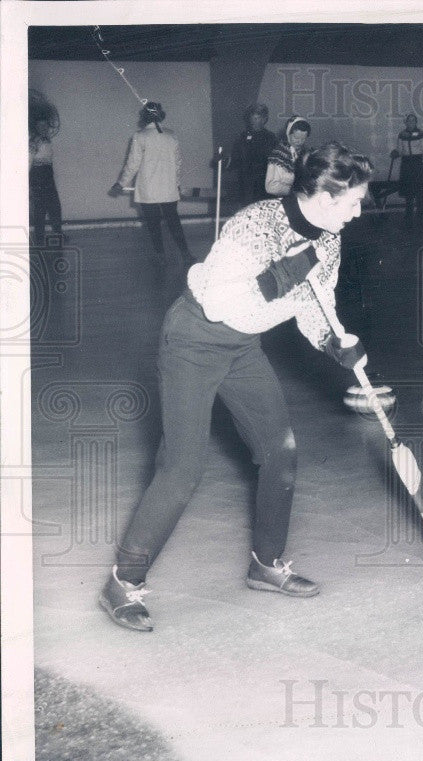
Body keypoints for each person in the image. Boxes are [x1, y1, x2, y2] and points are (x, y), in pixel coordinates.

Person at [99, 142, 374, 631]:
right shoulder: (255, 225)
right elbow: (226, 304)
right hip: (195, 338)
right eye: (353, 201)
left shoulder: (328, 240)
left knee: (280, 449)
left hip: (244, 348)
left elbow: (316, 305)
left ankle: (266, 563)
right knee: (182, 467)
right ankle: (123, 581)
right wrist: (286, 271)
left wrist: (334, 343)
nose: (357, 212)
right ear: (326, 196)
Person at [110, 102, 195, 270]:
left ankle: (161, 256)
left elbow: (133, 164)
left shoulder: (140, 136)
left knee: (153, 225)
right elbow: (178, 164)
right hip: (168, 189)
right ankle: (185, 254)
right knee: (174, 222)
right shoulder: (172, 136)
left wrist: (121, 183)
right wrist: (177, 184)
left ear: (144, 117)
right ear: (160, 116)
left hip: (148, 190)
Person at [29, 90, 64, 246]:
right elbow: (28, 161)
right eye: (40, 126)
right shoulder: (33, 142)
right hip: (37, 174)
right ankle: (39, 237)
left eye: (45, 126)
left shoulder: (46, 139)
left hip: (47, 173)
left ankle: (58, 232)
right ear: (36, 127)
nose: (44, 128)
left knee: (54, 205)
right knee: (40, 207)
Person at [230, 103, 277, 206]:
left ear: (264, 119)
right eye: (252, 118)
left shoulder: (271, 138)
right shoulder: (242, 137)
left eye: (256, 118)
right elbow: (235, 160)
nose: (253, 122)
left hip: (264, 185)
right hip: (245, 185)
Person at [265, 116, 311, 197]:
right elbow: (271, 187)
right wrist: (295, 191)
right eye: (296, 138)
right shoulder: (278, 155)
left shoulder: (303, 153)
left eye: (303, 139)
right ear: (288, 134)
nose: (299, 142)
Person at [396, 114, 423, 224]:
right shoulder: (401, 134)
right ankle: (409, 212)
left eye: (413, 120)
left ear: (416, 122)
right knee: (408, 188)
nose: (411, 122)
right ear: (406, 122)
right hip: (406, 163)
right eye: (409, 120)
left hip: (418, 162)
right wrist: (396, 153)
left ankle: (420, 212)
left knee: (419, 188)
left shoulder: (421, 133)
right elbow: (399, 150)